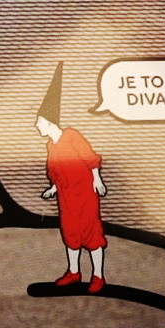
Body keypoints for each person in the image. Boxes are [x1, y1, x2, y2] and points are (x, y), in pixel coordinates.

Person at [34, 63, 109, 293]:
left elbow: (89, 157)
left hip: (84, 193)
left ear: (49, 122)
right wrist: (53, 189)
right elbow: (57, 172)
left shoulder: (72, 136)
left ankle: (98, 276)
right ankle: (74, 272)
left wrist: (97, 179)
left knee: (91, 232)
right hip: (66, 197)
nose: (36, 126)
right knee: (70, 232)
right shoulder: (51, 145)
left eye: (39, 122)